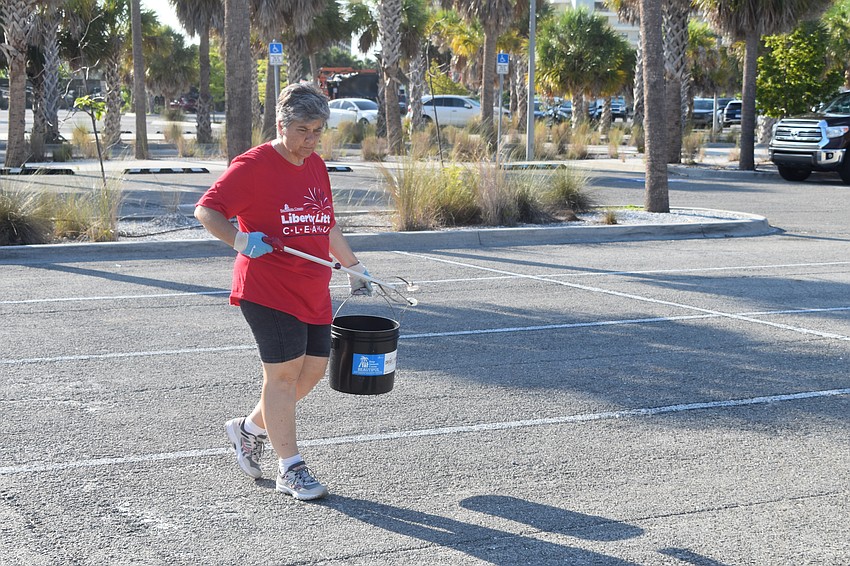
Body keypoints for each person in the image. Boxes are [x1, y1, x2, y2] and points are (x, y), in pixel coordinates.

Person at [194, 83, 373, 501]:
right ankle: (290, 469)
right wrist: (239, 241)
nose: (311, 140)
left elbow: (325, 223)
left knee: (310, 372)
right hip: (268, 288)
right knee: (283, 374)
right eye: (303, 130)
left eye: (318, 131)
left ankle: (249, 429)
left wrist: (353, 265)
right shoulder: (254, 165)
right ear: (281, 124)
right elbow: (207, 209)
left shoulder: (314, 165)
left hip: (312, 285)